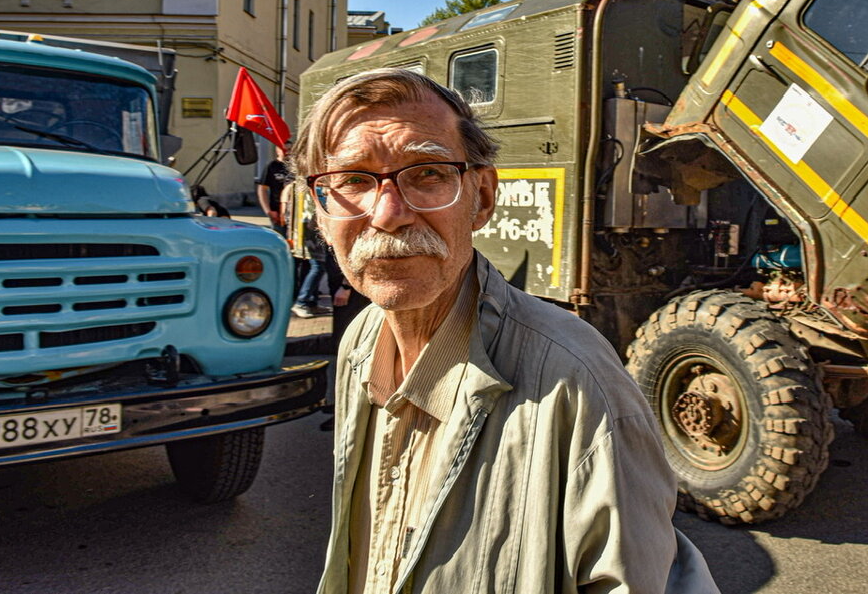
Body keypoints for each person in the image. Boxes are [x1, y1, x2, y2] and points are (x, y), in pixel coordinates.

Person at [291, 69, 718, 594]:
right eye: (354, 180)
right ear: (320, 208)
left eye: (426, 173)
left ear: (483, 198)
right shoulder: (360, 340)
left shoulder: (576, 383)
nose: (387, 214)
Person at [256, 140, 293, 235]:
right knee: (279, 236)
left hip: (293, 210)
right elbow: (262, 189)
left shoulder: (295, 167)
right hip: (276, 210)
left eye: (289, 149)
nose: (287, 152)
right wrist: (268, 210)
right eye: (284, 149)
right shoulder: (272, 167)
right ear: (277, 150)